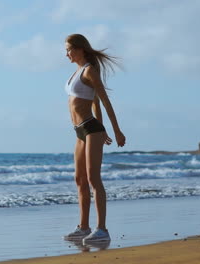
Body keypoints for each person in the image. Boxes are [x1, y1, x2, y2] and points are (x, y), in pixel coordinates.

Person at [63, 34, 126, 244]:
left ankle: (102, 229)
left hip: (91, 129)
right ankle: (84, 227)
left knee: (93, 179)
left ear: (81, 49)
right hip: (80, 131)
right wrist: (104, 128)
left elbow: (105, 101)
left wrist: (116, 130)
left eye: (69, 49)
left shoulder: (90, 70)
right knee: (79, 179)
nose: (67, 54)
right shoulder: (76, 72)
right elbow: (94, 103)